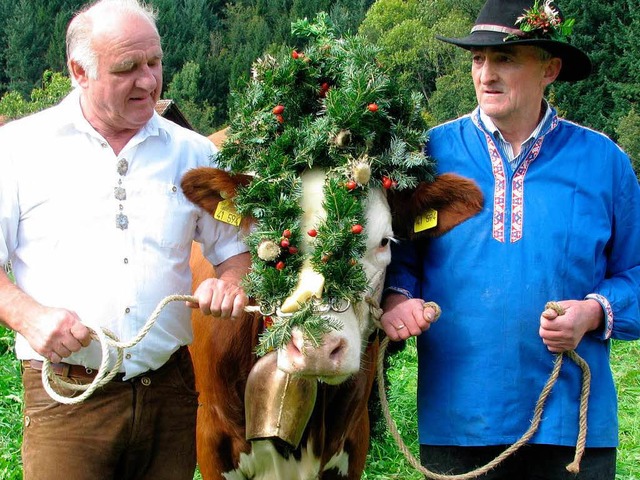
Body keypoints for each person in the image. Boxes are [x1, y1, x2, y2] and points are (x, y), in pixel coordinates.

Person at [380, 0, 640, 478]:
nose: (486, 74)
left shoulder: (604, 162)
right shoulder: (427, 156)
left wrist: (594, 311)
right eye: (478, 59)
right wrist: (398, 298)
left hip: (571, 427)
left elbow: (636, 273)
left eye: (505, 58)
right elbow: (397, 256)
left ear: (550, 68)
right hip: (457, 420)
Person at [0, 0, 250, 479]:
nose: (149, 81)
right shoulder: (18, 151)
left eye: (154, 62)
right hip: (70, 397)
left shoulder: (193, 152)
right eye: (127, 68)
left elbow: (234, 252)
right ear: (79, 71)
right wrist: (27, 316)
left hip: (171, 393)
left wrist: (231, 282)